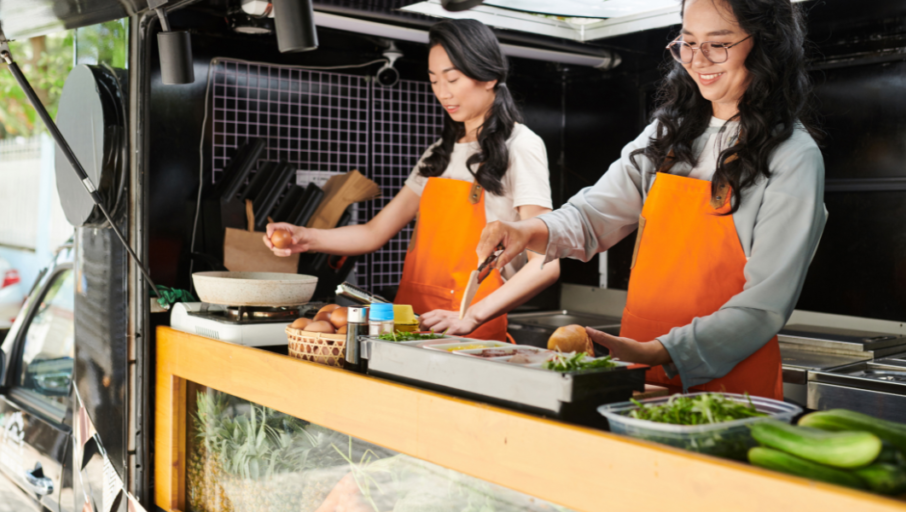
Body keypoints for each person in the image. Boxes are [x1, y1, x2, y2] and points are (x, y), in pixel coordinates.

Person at [476, 0, 825, 398]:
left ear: (765, 45)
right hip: (636, 371)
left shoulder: (792, 156)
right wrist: (527, 230)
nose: (698, 60)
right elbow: (593, 214)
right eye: (688, 42)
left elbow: (763, 307)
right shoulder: (668, 134)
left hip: (730, 389)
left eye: (719, 44)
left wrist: (659, 350)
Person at [264, 19, 559, 341]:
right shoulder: (439, 153)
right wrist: (305, 238)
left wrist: (471, 315)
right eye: (434, 81)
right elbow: (373, 232)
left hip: (471, 333)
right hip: (412, 326)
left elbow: (546, 263)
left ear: (489, 76)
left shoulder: (521, 146)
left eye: (453, 79)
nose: (442, 93)